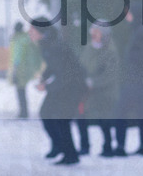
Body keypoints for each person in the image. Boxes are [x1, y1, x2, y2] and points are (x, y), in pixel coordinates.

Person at [29, 24, 86, 165]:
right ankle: (59, 146)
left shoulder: (55, 46)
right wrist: (45, 76)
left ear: (41, 31)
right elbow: (53, 66)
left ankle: (70, 155)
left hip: (72, 86)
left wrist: (46, 86)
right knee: (46, 112)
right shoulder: (46, 44)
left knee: (62, 119)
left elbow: (66, 73)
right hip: (63, 85)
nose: (29, 32)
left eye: (32, 30)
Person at [113, 7, 143, 155]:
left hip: (136, 81)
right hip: (138, 80)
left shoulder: (142, 32)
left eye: (129, 14)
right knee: (141, 113)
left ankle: (121, 147)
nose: (127, 18)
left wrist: (130, 63)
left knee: (122, 112)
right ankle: (142, 146)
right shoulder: (139, 31)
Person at [75, 24, 120, 155]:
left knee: (103, 118)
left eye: (97, 32)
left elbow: (110, 75)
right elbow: (82, 65)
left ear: (104, 34)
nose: (93, 35)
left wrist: (93, 82)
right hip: (88, 92)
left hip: (105, 92)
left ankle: (107, 146)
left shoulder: (110, 51)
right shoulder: (89, 48)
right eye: (93, 32)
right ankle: (84, 146)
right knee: (81, 115)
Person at [8, 22, 41, 119]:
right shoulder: (26, 38)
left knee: (20, 90)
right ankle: (24, 111)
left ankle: (23, 112)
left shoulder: (18, 39)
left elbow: (17, 55)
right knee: (22, 89)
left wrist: (15, 67)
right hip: (26, 67)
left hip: (20, 67)